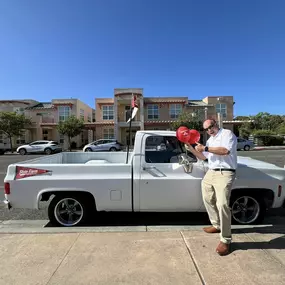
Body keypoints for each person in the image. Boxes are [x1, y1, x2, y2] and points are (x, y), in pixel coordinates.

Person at [186, 119, 237, 256]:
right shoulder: (210, 140)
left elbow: (225, 151)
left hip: (225, 172)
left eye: (210, 127)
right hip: (211, 172)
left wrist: (205, 148)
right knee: (207, 198)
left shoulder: (227, 134)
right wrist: (191, 148)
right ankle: (216, 225)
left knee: (223, 204)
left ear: (216, 125)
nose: (209, 130)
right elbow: (204, 157)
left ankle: (225, 239)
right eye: (206, 129)